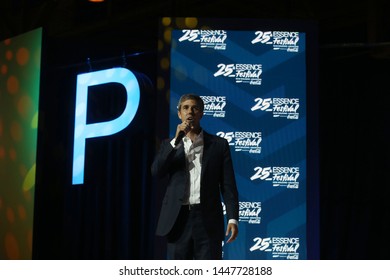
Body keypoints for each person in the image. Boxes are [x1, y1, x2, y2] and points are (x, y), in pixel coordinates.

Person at [151, 93, 239, 260]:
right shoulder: (169, 145)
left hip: (207, 219)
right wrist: (176, 141)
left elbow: (228, 186)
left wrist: (233, 218)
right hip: (178, 220)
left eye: (195, 108)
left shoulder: (219, 145)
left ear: (201, 113)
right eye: (185, 108)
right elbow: (156, 171)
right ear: (179, 114)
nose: (190, 111)